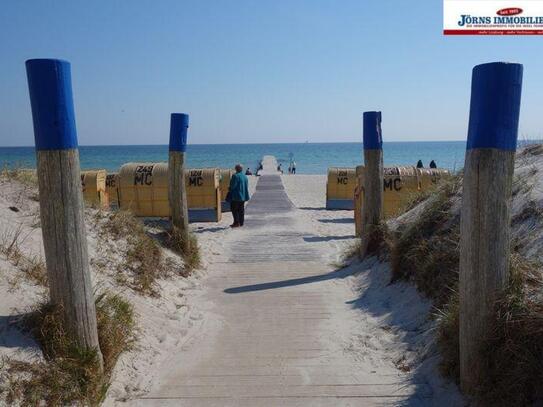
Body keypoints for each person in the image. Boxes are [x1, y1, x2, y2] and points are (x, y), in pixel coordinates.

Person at [226, 164, 250, 228]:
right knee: (241, 210)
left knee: (234, 209)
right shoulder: (245, 176)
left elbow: (232, 186)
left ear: (236, 169)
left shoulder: (235, 176)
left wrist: (229, 188)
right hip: (243, 196)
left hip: (236, 196)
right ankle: (241, 223)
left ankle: (236, 223)